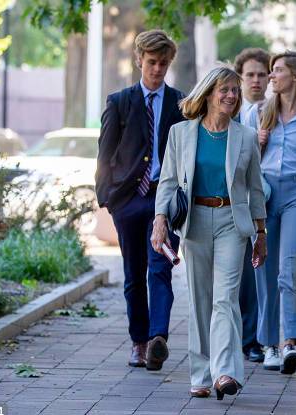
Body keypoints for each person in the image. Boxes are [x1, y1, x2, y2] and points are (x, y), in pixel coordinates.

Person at [151, 66, 267, 400]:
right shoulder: (181, 134)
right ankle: (200, 374)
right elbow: (169, 182)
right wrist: (160, 221)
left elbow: (256, 190)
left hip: (233, 219)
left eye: (235, 90)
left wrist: (261, 233)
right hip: (195, 221)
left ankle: (225, 371)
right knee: (201, 299)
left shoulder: (244, 136)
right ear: (208, 94)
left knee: (225, 297)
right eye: (225, 90)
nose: (231, 96)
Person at [95, 30, 185, 371]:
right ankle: (138, 341)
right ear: (139, 61)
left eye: (163, 63)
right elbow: (104, 154)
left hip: (165, 201)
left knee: (160, 268)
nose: (157, 69)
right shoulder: (120, 102)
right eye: (151, 63)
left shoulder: (179, 103)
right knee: (134, 274)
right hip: (129, 202)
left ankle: (157, 338)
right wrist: (108, 199)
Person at [248, 51, 296, 374]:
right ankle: (268, 344)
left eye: (277, 71)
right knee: (264, 270)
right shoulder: (262, 111)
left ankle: (290, 341)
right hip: (265, 195)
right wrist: (256, 142)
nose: (270, 77)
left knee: (290, 268)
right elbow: (244, 160)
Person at [234, 47, 271, 363]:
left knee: (264, 270)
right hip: (234, 202)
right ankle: (244, 337)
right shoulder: (230, 112)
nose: (256, 80)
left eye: (262, 75)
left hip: (268, 201)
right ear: (240, 78)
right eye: (250, 75)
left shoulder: (277, 111)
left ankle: (259, 339)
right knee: (243, 275)